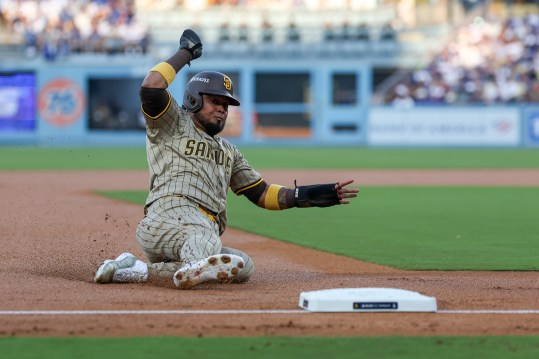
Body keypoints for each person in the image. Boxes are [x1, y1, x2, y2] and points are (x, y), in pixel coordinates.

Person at [94, 29, 359, 290]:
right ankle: (196, 262)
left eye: (227, 104)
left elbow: (263, 193)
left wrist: (308, 195)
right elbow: (152, 86)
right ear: (194, 100)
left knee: (242, 265)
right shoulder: (172, 123)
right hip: (168, 217)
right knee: (205, 243)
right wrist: (185, 53)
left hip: (202, 228)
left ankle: (134, 270)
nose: (223, 108)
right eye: (215, 101)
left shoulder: (229, 151)